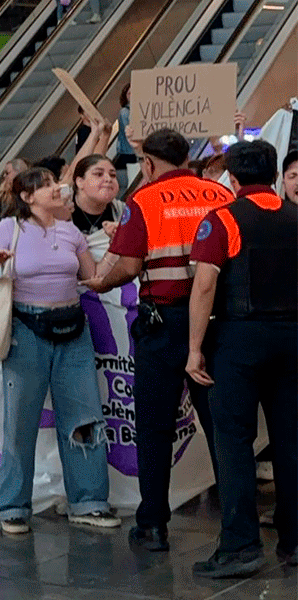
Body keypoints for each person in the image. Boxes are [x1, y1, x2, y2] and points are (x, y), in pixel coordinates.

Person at [81, 128, 234, 552]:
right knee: (221, 425)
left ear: (148, 164)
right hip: (216, 324)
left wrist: (98, 283)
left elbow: (128, 266)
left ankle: (153, 525)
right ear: (186, 157)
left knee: (153, 425)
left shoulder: (144, 201)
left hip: (161, 325)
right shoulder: (219, 196)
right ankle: (236, 526)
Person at [0, 167, 121, 536]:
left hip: (73, 330)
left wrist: (117, 247)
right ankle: (12, 505)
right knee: (20, 420)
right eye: (48, 185)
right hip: (26, 331)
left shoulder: (71, 232)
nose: (58, 188)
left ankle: (89, 501)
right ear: (27, 197)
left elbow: (95, 279)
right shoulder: (10, 228)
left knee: (83, 417)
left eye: (57, 183)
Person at [186, 140, 297, 577]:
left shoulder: (223, 220)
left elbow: (206, 284)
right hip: (292, 340)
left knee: (233, 442)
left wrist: (195, 348)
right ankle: (293, 540)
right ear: (273, 175)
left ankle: (240, 546)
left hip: (239, 340)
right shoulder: (295, 217)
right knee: (291, 443)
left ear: (231, 180)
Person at [71, 154, 121, 236]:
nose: (108, 179)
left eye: (112, 175)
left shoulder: (124, 212)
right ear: (80, 182)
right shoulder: (58, 213)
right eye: (99, 174)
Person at [115, 84, 136, 190]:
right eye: (129, 93)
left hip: (131, 152)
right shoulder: (125, 112)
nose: (131, 96)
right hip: (128, 153)